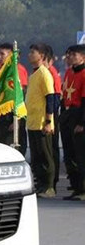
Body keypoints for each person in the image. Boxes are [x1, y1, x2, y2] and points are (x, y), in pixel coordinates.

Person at [24, 43, 59, 196]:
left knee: (46, 156)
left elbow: (50, 97)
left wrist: (49, 121)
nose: (30, 55)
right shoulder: (33, 75)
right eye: (30, 52)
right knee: (36, 156)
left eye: (33, 52)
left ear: (42, 56)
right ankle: (40, 184)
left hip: (42, 122)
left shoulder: (44, 73)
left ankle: (49, 186)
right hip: (32, 122)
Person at [60, 45, 85, 199]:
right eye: (69, 54)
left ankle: (83, 188)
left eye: (74, 55)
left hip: (78, 113)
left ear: (83, 57)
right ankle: (76, 187)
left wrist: (82, 123)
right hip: (68, 113)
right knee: (69, 153)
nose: (70, 57)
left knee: (80, 154)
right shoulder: (69, 72)